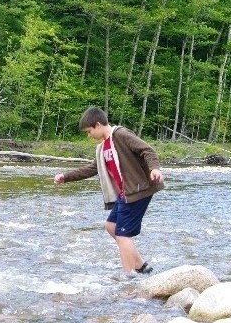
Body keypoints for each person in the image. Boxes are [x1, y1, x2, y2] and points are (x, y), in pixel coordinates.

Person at [53, 106, 164, 276]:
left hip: (137, 191)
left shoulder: (120, 135)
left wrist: (154, 169)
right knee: (111, 226)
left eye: (89, 131)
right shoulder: (102, 148)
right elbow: (92, 169)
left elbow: (147, 150)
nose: (88, 136)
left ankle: (129, 277)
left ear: (98, 125)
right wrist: (66, 177)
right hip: (124, 194)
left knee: (122, 235)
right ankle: (142, 266)